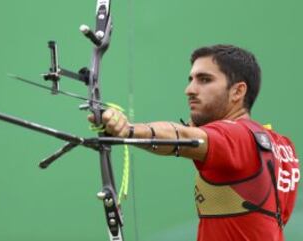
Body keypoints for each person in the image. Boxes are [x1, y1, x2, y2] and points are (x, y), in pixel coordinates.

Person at [88, 44, 300, 241]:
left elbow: (185, 137)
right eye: (191, 79)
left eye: (205, 79)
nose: (190, 89)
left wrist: (129, 131)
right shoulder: (282, 145)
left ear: (238, 91)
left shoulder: (237, 137)